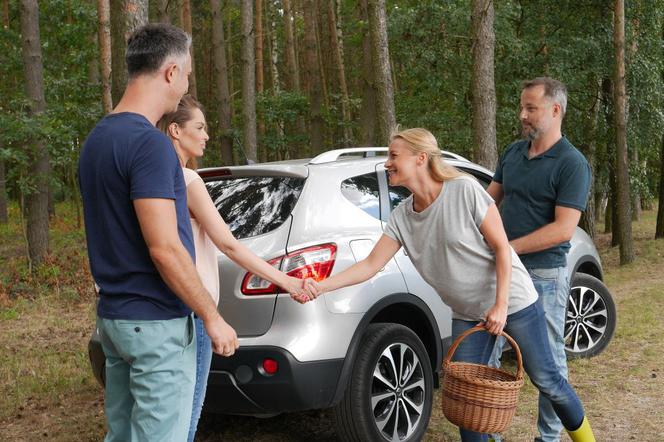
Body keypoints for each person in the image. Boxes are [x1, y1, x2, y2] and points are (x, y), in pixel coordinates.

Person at [298, 128, 595, 442]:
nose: (387, 163)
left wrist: (501, 304)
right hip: (467, 311)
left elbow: (501, 248)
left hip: (515, 302)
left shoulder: (463, 190)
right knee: (468, 398)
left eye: (394, 156)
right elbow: (370, 265)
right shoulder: (402, 217)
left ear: (421, 158)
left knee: (548, 380)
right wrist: (321, 286)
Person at [78, 24, 238, 442]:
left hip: (114, 320)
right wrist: (212, 316)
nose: (186, 84)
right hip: (156, 327)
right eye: (185, 75)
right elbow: (165, 248)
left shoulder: (97, 139)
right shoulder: (148, 145)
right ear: (170, 72)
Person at [157, 95, 306, 441]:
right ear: (175, 130)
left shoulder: (153, 179)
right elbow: (229, 244)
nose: (207, 135)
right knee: (186, 420)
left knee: (159, 418)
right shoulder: (189, 181)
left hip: (159, 310)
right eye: (200, 127)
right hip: (192, 313)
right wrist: (287, 280)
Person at [486, 77, 592, 442]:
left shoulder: (572, 163)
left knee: (547, 365)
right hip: (501, 271)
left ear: (555, 110)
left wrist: (507, 248)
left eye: (530, 108)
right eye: (522, 107)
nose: (522, 115)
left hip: (544, 273)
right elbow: (488, 202)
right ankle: (488, 435)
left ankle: (548, 438)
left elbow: (563, 230)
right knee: (485, 354)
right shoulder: (513, 153)